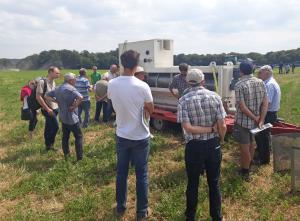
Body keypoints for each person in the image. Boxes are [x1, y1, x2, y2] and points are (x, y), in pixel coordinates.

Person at [108, 50, 154, 221]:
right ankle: (142, 211)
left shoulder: (112, 84)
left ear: (122, 64)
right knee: (141, 173)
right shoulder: (142, 86)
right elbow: (151, 108)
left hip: (122, 134)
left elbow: (113, 103)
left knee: (122, 172)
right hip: (140, 135)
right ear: (136, 65)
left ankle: (121, 206)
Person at [178, 68, 227, 221]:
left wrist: (207, 130)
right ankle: (217, 216)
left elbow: (188, 128)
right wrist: (220, 137)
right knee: (214, 182)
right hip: (213, 144)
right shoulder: (215, 97)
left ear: (187, 82)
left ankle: (190, 216)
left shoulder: (183, 100)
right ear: (203, 81)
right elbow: (223, 125)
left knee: (192, 182)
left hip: (194, 146)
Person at [234, 61, 268, 181]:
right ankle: (248, 166)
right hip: (257, 121)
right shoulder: (261, 82)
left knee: (245, 148)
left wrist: (255, 118)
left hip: (243, 122)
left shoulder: (239, 85)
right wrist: (261, 119)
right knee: (252, 144)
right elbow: (265, 103)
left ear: (241, 71)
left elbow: (242, 107)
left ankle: (245, 172)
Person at [45, 73, 84, 161]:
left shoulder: (58, 88)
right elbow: (81, 97)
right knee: (79, 136)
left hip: (63, 117)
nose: (75, 81)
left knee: (65, 137)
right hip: (72, 118)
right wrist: (74, 106)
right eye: (74, 79)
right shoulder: (71, 88)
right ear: (70, 80)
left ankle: (66, 155)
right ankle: (80, 158)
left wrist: (56, 101)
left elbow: (46, 96)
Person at [255, 65, 281, 165]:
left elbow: (267, 103)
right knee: (264, 135)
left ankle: (263, 160)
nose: (258, 74)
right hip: (271, 113)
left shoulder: (269, 85)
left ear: (267, 72)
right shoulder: (270, 82)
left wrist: (260, 116)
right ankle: (264, 152)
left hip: (267, 113)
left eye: (260, 72)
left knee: (262, 136)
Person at [36, 66, 60, 151]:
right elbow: (38, 97)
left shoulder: (53, 82)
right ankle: (51, 144)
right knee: (56, 127)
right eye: (57, 73)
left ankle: (47, 146)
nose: (58, 74)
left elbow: (50, 96)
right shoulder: (42, 82)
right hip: (48, 109)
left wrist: (57, 102)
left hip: (55, 108)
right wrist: (47, 109)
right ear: (50, 72)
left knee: (48, 127)